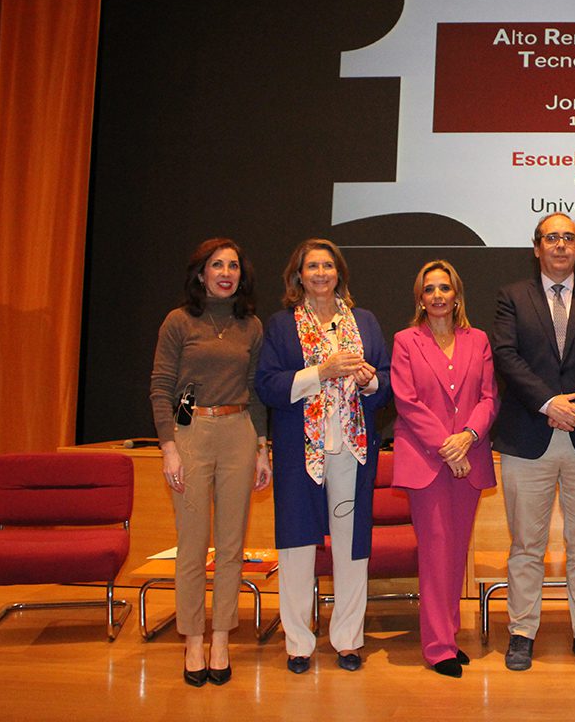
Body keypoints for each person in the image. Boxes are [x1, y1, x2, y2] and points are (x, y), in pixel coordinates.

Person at [491, 213, 575, 671]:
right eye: (552, 238)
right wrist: (550, 403)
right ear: (536, 247)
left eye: (569, 238)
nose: (561, 246)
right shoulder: (512, 296)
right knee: (526, 545)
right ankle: (522, 633)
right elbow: (506, 356)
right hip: (530, 435)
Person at [255, 238, 391, 674]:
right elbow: (269, 386)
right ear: (298, 275)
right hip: (301, 452)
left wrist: (369, 380)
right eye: (311, 266)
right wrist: (321, 372)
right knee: (297, 546)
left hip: (353, 450)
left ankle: (348, 640)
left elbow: (386, 383)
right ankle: (298, 643)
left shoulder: (364, 322)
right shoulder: (280, 325)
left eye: (327, 266)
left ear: (339, 273)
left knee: (351, 547)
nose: (320, 273)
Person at [150, 237, 272, 687]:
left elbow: (258, 392)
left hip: (238, 431)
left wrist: (262, 449)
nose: (226, 273)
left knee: (231, 544)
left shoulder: (251, 326)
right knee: (193, 544)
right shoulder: (179, 321)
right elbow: (163, 385)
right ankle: (193, 639)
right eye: (217, 265)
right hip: (191, 431)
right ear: (201, 273)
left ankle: (221, 636)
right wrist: (169, 446)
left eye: (233, 266)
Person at [391, 260, 499, 678]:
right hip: (427, 461)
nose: (437, 295)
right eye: (429, 289)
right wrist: (446, 445)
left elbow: (489, 398)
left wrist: (467, 437)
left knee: (455, 553)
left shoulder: (479, 340)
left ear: (457, 296)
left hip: (467, 458)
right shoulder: (405, 340)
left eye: (445, 288)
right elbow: (406, 400)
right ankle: (437, 647)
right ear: (420, 297)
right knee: (436, 553)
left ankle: (448, 636)